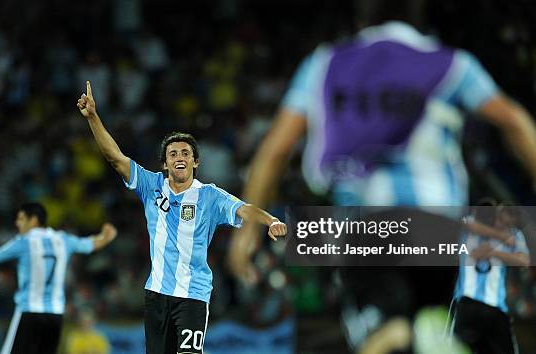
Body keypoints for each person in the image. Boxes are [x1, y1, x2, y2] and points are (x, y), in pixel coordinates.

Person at [228, 0, 536, 352]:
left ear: (360, 18)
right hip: (439, 227)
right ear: (420, 19)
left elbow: (276, 150)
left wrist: (249, 228)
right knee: (426, 324)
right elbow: (516, 121)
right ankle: (427, 335)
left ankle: (404, 335)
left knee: (384, 335)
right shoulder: (452, 64)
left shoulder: (325, 63)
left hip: (368, 225)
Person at [76, 81, 287, 354]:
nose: (179, 157)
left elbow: (244, 209)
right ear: (164, 163)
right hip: (156, 294)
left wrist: (271, 220)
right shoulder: (151, 185)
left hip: (192, 295)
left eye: (185, 153)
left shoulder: (210, 196)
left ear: (195, 162)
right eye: (173, 153)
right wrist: (93, 117)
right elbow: (115, 158)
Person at [0, 202, 117, 354]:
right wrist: (107, 236)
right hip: (55, 315)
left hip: (29, 312)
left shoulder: (24, 242)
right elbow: (91, 245)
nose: (17, 223)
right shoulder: (63, 240)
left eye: (21, 218)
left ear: (34, 220)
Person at [451, 203, 530, 354]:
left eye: (506, 224)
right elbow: (464, 222)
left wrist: (493, 253)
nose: (500, 224)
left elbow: (524, 260)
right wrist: (501, 236)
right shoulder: (472, 223)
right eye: (499, 219)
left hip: (495, 306)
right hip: (465, 301)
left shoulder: (514, 234)